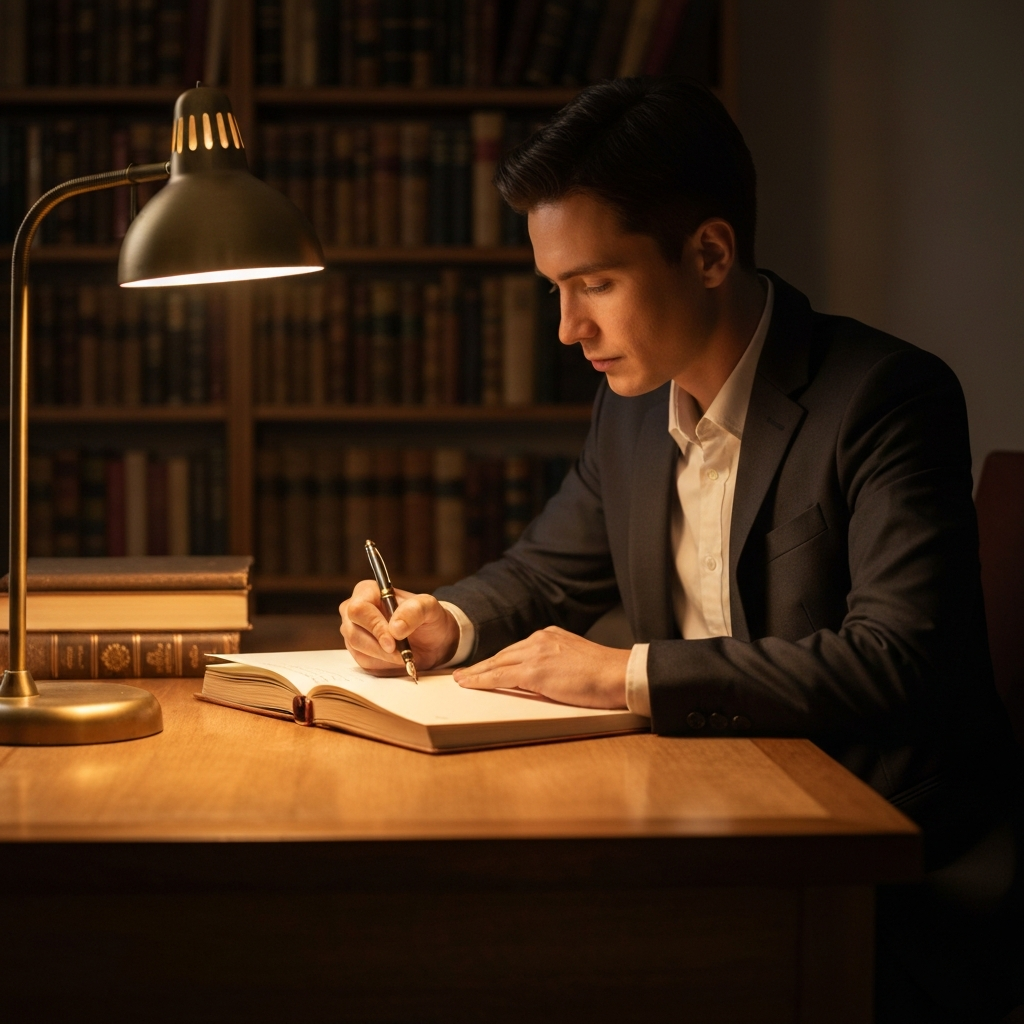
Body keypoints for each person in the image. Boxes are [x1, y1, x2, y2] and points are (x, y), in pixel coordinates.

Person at [340, 78, 1022, 1021]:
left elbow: (899, 662)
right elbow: (545, 572)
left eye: (596, 284)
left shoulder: (885, 398)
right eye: (557, 290)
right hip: (710, 807)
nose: (571, 329)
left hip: (874, 844)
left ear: (708, 253)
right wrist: (440, 622)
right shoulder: (628, 413)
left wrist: (627, 675)